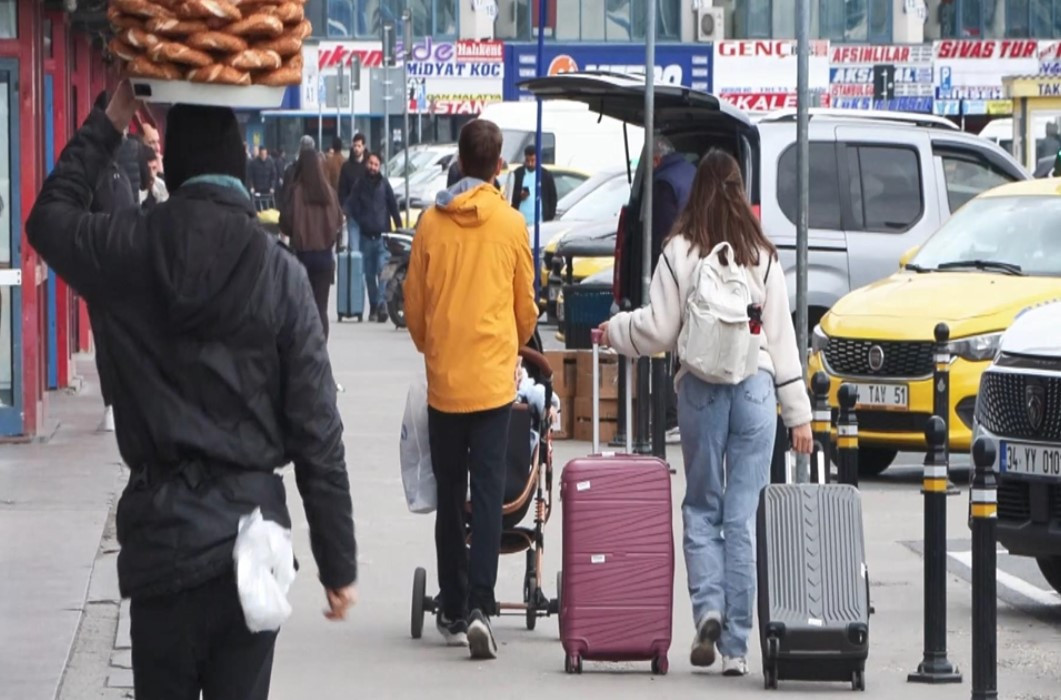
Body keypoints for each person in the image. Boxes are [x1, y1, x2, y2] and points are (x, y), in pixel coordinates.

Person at [26, 84, 358, 700]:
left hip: (163, 545)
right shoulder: (280, 275)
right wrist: (337, 562)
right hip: (252, 545)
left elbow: (48, 218)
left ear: (173, 169)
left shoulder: (127, 246)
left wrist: (112, 117)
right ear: (240, 170)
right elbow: (318, 429)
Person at [600, 149, 813, 678]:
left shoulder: (678, 250)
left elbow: (658, 330)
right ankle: (737, 649)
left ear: (695, 193)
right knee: (743, 516)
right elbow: (783, 339)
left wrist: (616, 331)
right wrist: (798, 415)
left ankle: (709, 610)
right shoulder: (762, 254)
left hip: (700, 388)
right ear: (741, 192)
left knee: (701, 508)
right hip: (756, 387)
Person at [404, 118, 538, 660]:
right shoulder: (511, 224)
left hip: (445, 384)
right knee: (487, 497)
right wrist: (512, 343)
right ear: (498, 165)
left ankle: (453, 608)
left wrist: (434, 348)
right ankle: (483, 605)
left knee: (449, 497)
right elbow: (525, 307)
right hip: (493, 385)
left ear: (460, 162)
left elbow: (415, 307)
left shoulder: (430, 226)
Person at [651, 134, 697, 444]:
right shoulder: (692, 173)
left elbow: (662, 235)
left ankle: (670, 417)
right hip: (700, 269)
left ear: (656, 159)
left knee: (669, 344)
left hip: (677, 272)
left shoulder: (664, 183)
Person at [280, 147, 344, 339]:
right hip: (324, 257)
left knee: (302, 307)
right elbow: (339, 221)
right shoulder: (329, 193)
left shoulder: (296, 193)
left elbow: (286, 223)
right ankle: (321, 344)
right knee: (321, 307)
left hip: (302, 256)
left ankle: (305, 345)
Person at [348, 151, 402, 322]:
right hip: (365, 238)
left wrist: (399, 227)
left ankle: (381, 304)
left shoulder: (384, 184)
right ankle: (373, 306)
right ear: (367, 164)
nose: (372, 167)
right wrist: (358, 219)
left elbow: (393, 206)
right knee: (370, 276)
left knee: (383, 271)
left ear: (380, 167)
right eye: (371, 163)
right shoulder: (359, 184)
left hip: (382, 239)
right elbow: (351, 206)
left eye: (376, 164)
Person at [509, 145, 557, 225]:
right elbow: (510, 196)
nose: (530, 164)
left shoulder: (545, 175)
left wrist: (550, 217)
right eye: (527, 161)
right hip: (520, 221)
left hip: (540, 222)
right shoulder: (518, 174)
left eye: (533, 160)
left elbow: (552, 197)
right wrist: (519, 195)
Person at [338, 133, 367, 245]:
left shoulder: (368, 166)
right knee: (354, 245)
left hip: (367, 213)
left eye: (359, 146)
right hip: (352, 213)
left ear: (363, 147)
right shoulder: (346, 167)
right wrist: (344, 210)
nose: (356, 149)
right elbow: (342, 190)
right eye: (355, 146)